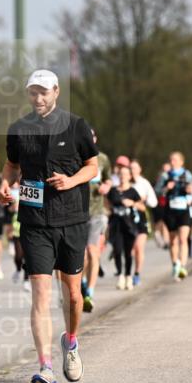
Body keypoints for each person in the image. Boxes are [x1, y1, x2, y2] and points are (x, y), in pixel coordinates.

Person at [0, 69, 99, 383]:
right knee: (40, 294)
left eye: (43, 92)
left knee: (73, 295)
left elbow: (92, 166)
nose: (38, 98)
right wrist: (5, 185)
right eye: (33, 92)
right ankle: (45, 368)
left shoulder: (76, 126)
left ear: (56, 91)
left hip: (72, 219)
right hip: (34, 222)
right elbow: (12, 165)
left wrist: (71, 181)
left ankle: (71, 341)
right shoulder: (19, 129)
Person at [156, 151, 192, 280]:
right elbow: (157, 191)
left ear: (181, 162)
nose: (172, 162)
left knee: (183, 239)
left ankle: (183, 267)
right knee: (173, 240)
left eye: (175, 160)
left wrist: (191, 193)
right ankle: (175, 264)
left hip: (184, 209)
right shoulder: (165, 175)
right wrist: (166, 188)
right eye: (171, 160)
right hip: (170, 210)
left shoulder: (187, 174)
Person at [82, 130, 112, 312]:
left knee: (93, 252)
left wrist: (106, 187)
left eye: (91, 136)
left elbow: (108, 180)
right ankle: (83, 283)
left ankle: (90, 293)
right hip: (77, 213)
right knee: (82, 256)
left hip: (97, 212)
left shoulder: (103, 159)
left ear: (95, 139)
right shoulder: (75, 156)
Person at [107, 165, 145, 290]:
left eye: (125, 174)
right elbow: (107, 205)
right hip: (116, 226)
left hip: (129, 226)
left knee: (128, 252)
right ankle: (120, 276)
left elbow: (143, 207)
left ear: (129, 176)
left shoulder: (133, 191)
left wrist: (132, 203)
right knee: (117, 251)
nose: (123, 176)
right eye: (121, 174)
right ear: (118, 176)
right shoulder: (113, 191)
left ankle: (128, 276)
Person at [129, 159, 158, 286]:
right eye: (130, 168)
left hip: (141, 218)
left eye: (135, 168)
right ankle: (126, 273)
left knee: (138, 248)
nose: (132, 170)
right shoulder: (124, 182)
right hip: (126, 218)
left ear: (140, 169)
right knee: (130, 250)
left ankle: (137, 273)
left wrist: (144, 200)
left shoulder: (144, 183)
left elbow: (154, 202)